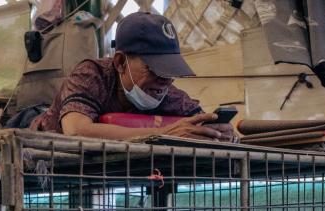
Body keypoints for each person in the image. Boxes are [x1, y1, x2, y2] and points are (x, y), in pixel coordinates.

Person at [30, 11, 234, 142]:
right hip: (34, 128)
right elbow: (76, 131)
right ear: (120, 62)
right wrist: (164, 134)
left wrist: (218, 132)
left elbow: (198, 124)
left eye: (170, 72)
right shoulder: (91, 75)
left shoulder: (167, 92)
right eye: (155, 69)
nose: (165, 81)